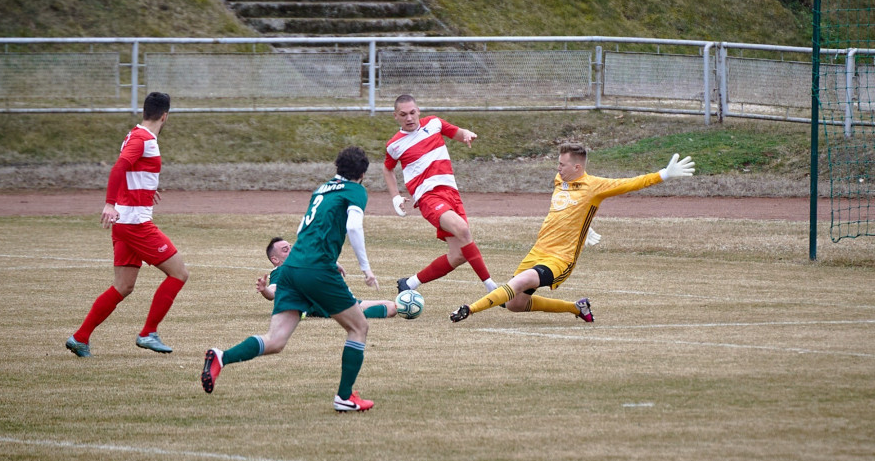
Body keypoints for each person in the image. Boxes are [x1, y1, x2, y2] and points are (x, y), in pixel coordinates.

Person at [202, 147, 380, 413]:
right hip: (316, 269)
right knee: (358, 328)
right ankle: (344, 396)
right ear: (362, 174)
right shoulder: (356, 190)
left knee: (275, 341)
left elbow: (302, 229)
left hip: (293, 266)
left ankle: (221, 357)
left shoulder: (321, 189)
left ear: (338, 168)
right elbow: (353, 226)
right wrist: (366, 268)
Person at [449, 143, 694, 323]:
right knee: (514, 304)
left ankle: (469, 309)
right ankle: (577, 308)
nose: (557, 168)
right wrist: (583, 227)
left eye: (562, 164)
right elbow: (567, 211)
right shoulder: (560, 180)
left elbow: (630, 183)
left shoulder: (595, 186)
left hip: (560, 259)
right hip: (537, 251)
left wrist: (663, 174)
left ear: (577, 166)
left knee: (520, 282)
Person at [65, 92, 189, 357]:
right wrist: (109, 203)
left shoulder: (136, 135)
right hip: (135, 224)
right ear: (165, 116)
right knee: (179, 273)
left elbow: (132, 171)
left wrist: (145, 191)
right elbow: (119, 167)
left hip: (127, 219)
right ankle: (148, 333)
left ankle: (80, 337)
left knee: (123, 286)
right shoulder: (144, 139)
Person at [384, 94, 498, 294]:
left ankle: (409, 284)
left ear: (418, 111)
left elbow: (457, 132)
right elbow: (388, 169)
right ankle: (493, 288)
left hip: (452, 194)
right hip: (429, 198)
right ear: (396, 116)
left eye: (412, 113)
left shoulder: (434, 123)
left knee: (459, 255)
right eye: (403, 115)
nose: (409, 118)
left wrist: (466, 134)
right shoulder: (394, 145)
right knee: (463, 230)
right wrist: (395, 197)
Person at [256, 237, 397, 319]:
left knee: (392, 307)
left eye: (291, 247)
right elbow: (273, 292)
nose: (292, 251)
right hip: (330, 306)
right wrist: (264, 290)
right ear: (275, 259)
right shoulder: (282, 270)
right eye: (285, 250)